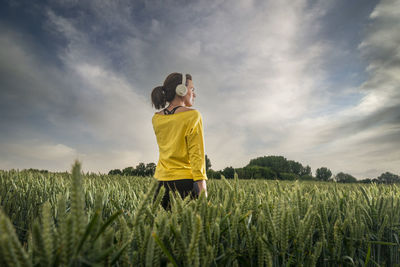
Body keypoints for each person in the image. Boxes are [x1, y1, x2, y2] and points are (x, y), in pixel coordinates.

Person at [151, 72, 208, 210]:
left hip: (160, 185)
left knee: (161, 230)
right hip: (186, 184)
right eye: (192, 89)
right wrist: (202, 189)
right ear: (181, 90)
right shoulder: (193, 116)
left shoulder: (156, 118)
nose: (194, 94)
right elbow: (196, 154)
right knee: (188, 230)